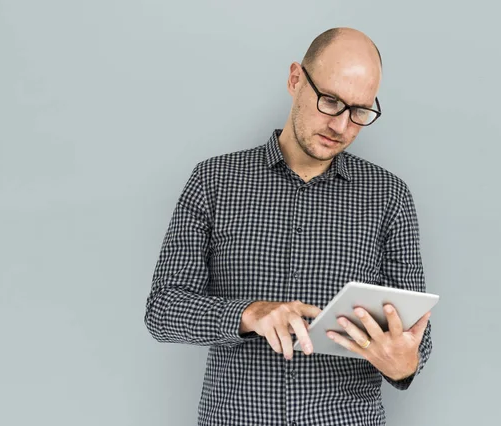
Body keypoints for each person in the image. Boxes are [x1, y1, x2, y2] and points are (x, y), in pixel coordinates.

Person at [144, 27, 433, 426]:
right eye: (330, 101)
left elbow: (418, 338)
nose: (342, 126)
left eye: (360, 112)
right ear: (296, 79)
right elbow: (163, 310)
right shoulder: (213, 181)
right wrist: (247, 313)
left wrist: (402, 363)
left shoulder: (389, 197)